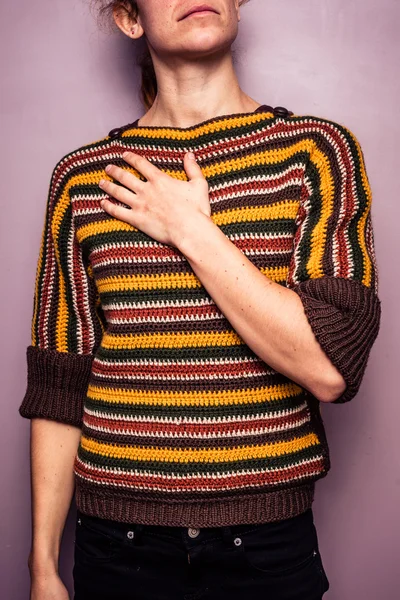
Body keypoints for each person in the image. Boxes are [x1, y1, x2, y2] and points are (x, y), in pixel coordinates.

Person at [19, 1, 382, 599]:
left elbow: (330, 367)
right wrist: (42, 567)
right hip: (117, 546)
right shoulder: (85, 180)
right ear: (130, 19)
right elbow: (61, 385)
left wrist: (190, 230)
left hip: (266, 546)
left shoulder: (317, 152)